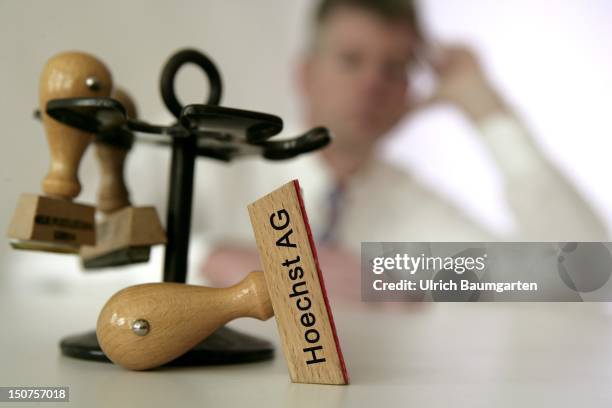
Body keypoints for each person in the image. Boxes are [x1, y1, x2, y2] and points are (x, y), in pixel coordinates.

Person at [196, 0, 607, 301]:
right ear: (306, 74)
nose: (372, 84)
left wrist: (487, 108)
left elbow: (581, 276)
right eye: (351, 60)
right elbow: (129, 251)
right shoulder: (211, 160)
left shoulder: (413, 210)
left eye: (394, 69)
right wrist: (210, 259)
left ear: (410, 90)